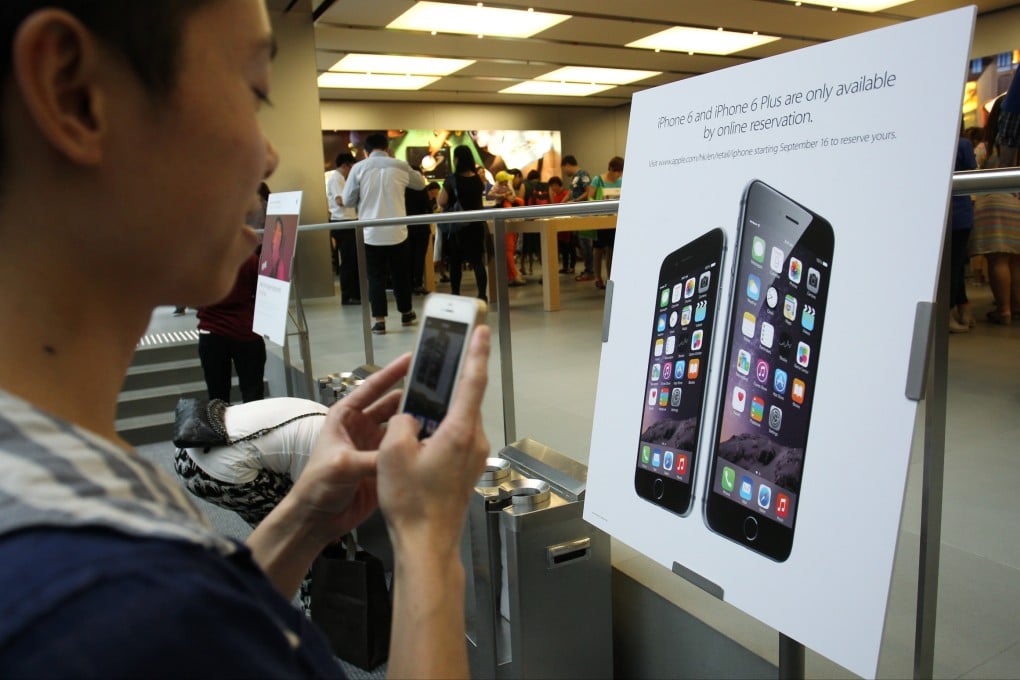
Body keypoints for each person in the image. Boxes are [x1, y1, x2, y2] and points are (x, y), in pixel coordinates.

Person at [0, 3, 491, 678]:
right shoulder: (102, 605)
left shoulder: (64, 485)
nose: (268, 152)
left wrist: (304, 521)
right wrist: (429, 541)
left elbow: (204, 632)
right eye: (254, 90)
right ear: (75, 96)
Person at [342, 132, 425, 334]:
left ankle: (380, 321)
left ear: (365, 151)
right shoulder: (400, 165)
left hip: (371, 233)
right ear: (387, 148)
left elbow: (347, 200)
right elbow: (420, 184)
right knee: (400, 275)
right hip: (398, 231)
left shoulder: (358, 168)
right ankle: (406, 312)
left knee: (376, 277)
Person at [970, 96, 1020, 325]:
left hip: (992, 205)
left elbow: (972, 171)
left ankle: (1004, 309)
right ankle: (1017, 304)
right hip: (1017, 204)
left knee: (997, 259)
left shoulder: (986, 148)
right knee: (1016, 259)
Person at [197, 248, 267, 401]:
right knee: (253, 392)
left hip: (212, 331)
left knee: (217, 396)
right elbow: (261, 290)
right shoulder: (250, 259)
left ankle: (221, 425)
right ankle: (253, 425)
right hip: (246, 330)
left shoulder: (202, 259)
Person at [440, 145, 489, 302]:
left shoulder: (452, 180)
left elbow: (442, 201)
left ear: (457, 159)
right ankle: (482, 295)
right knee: (477, 262)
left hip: (458, 228)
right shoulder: (478, 179)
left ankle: (456, 294)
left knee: (455, 263)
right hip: (476, 226)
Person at [949, 133, 977, 333]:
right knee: (955, 266)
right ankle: (950, 313)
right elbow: (972, 169)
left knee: (955, 266)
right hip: (959, 213)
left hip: (950, 213)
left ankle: (962, 307)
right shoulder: (963, 144)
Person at [584, 156, 624, 290]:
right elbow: (590, 196)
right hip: (600, 219)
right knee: (598, 249)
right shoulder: (598, 180)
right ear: (611, 169)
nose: (618, 174)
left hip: (614, 220)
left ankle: (610, 277)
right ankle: (597, 277)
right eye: (617, 171)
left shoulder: (621, 181)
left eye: (620, 172)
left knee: (612, 249)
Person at [326, 152, 360, 306]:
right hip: (342, 222)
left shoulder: (341, 179)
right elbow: (341, 201)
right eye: (351, 167)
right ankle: (348, 295)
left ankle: (355, 294)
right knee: (348, 261)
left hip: (349, 221)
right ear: (346, 165)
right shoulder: (335, 179)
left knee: (353, 260)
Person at [488, 170, 527, 286]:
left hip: (510, 228)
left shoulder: (511, 195)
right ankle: (514, 275)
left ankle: (511, 275)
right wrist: (503, 196)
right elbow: (491, 195)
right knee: (508, 250)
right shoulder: (504, 203)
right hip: (507, 227)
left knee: (509, 250)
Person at [561, 155, 595, 281]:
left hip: (584, 214)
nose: (564, 172)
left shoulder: (582, 174)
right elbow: (570, 193)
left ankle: (590, 271)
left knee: (586, 243)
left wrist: (575, 201)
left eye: (564, 168)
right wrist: (561, 204)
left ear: (567, 165)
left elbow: (588, 191)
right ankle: (587, 269)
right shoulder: (574, 178)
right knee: (581, 243)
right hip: (577, 215)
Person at [406, 181, 436, 296]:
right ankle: (418, 284)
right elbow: (428, 208)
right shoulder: (421, 189)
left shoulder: (403, 189)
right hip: (422, 228)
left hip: (406, 227)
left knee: (409, 256)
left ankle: (409, 284)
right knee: (419, 257)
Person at [259, 216, 291, 281]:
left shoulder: (280, 265)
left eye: (279, 230)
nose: (275, 232)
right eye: (275, 229)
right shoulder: (266, 258)